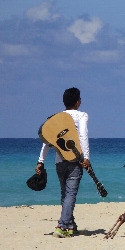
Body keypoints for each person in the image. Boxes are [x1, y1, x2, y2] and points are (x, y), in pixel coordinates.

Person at [35, 87, 91, 238]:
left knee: (65, 194)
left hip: (59, 162)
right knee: (70, 194)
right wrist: (86, 158)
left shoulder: (57, 118)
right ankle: (62, 225)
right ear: (78, 102)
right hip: (75, 160)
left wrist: (41, 161)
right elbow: (83, 136)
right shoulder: (82, 116)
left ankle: (71, 226)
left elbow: (47, 140)